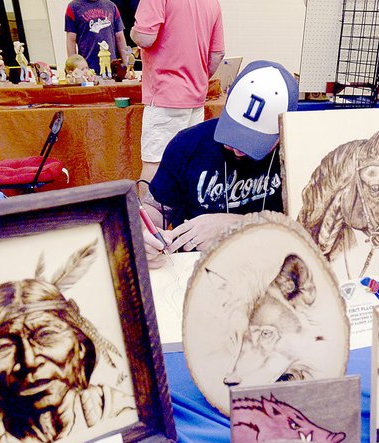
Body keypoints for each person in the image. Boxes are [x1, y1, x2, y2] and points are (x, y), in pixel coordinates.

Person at [0, 244, 134, 443]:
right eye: (3, 348)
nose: (29, 360)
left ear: (80, 346)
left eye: (46, 335)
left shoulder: (126, 414)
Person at [142, 60, 299, 268]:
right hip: (197, 269)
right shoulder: (188, 145)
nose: (237, 149)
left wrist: (239, 226)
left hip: (271, 266)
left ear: (282, 130)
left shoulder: (296, 152)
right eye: (232, 132)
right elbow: (158, 209)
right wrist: (146, 235)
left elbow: (308, 229)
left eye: (255, 141)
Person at [130, 0, 224, 196]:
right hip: (195, 98)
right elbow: (217, 54)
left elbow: (145, 38)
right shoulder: (212, 2)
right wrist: (197, 78)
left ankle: (149, 226)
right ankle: (183, 223)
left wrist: (133, 33)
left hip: (165, 96)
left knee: (154, 164)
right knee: (187, 164)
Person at [65, 0, 131, 73]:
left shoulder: (111, 6)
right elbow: (71, 40)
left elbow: (120, 38)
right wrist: (74, 68)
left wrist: (126, 66)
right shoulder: (73, 7)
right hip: (87, 70)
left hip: (112, 68)